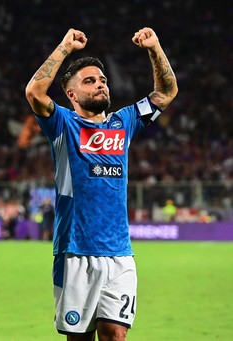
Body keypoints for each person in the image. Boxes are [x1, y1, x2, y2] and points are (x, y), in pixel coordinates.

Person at [25, 27, 177, 340]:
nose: (99, 85)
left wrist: (154, 47)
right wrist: (65, 48)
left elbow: (166, 92)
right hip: (75, 251)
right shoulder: (63, 124)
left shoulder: (124, 122)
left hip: (120, 253)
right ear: (71, 94)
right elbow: (34, 93)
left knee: (115, 334)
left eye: (102, 80)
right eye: (89, 81)